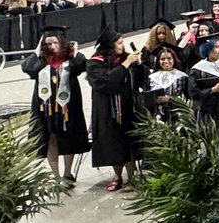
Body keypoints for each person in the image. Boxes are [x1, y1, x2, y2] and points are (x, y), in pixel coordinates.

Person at [21, 25, 89, 187]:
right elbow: (28, 67)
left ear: (62, 42)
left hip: (68, 106)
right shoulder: (41, 60)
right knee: (51, 138)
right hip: (45, 106)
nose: (52, 46)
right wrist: (37, 49)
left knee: (68, 135)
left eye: (55, 43)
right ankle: (56, 176)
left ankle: (67, 173)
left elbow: (81, 65)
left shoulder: (70, 59)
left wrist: (75, 51)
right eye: (48, 43)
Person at [86, 28, 143, 192]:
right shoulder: (95, 63)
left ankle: (132, 177)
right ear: (109, 45)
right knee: (113, 144)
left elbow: (138, 81)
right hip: (108, 110)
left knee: (129, 142)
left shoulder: (125, 58)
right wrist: (126, 64)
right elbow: (106, 83)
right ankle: (118, 176)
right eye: (119, 43)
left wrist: (138, 65)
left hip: (128, 107)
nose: (122, 46)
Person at [143, 44, 189, 122]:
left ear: (174, 59)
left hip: (179, 117)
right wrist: (154, 100)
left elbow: (188, 98)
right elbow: (146, 98)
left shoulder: (182, 76)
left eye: (169, 58)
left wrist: (170, 99)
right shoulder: (152, 78)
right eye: (162, 59)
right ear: (158, 61)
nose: (166, 61)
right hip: (157, 117)